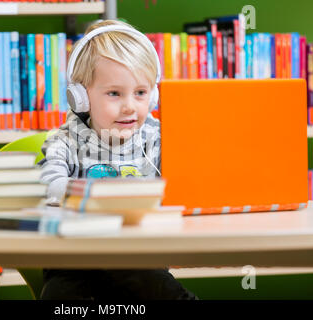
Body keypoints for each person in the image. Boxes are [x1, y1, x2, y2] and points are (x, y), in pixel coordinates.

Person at [39, 19, 198, 300]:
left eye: (140, 93)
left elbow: (189, 188)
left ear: (154, 95)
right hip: (76, 260)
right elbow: (46, 184)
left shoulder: (161, 139)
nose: (129, 106)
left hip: (139, 257)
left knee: (151, 282)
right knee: (58, 293)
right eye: (114, 93)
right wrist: (99, 197)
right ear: (80, 97)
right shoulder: (65, 140)